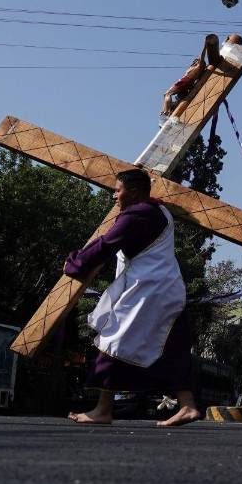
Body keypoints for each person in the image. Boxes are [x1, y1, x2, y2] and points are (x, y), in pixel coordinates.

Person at [64, 168, 199, 427]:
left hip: (148, 292)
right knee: (173, 347)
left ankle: (103, 410)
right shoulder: (160, 212)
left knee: (111, 342)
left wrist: (74, 263)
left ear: (134, 192)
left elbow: (106, 245)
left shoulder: (138, 215)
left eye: (118, 190)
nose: (114, 196)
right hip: (167, 290)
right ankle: (188, 405)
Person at [160, 34, 242, 121]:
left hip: (185, 81)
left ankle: (166, 113)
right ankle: (168, 111)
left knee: (167, 94)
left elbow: (202, 56)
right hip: (187, 82)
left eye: (196, 60)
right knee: (173, 97)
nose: (195, 60)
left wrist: (205, 46)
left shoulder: (199, 66)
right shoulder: (198, 67)